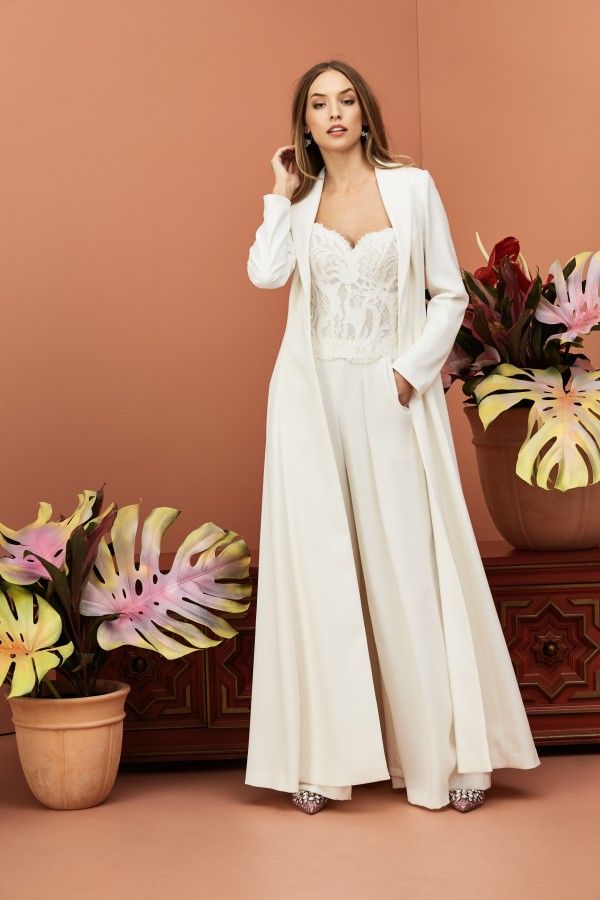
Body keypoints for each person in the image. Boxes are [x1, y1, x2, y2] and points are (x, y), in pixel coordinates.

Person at [245, 59, 540, 815]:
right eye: (318, 104)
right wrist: (279, 198)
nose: (334, 113)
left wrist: (408, 375)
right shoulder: (301, 199)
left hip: (387, 394)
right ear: (304, 124)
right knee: (320, 572)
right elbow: (265, 276)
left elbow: (447, 291)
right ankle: (321, 759)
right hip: (310, 403)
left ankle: (447, 752)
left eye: (345, 100)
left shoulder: (413, 189)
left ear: (365, 113)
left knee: (410, 566)